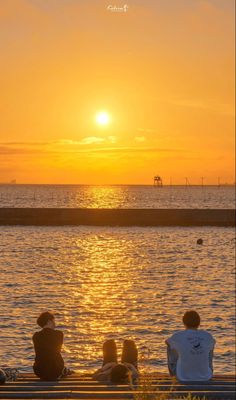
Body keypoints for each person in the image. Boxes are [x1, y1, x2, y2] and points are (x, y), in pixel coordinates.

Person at [166, 310, 215, 382]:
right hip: (206, 377)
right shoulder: (207, 336)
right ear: (199, 322)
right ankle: (205, 370)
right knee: (210, 346)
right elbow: (213, 342)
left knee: (170, 345)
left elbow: (167, 342)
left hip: (183, 376)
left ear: (184, 322)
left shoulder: (178, 336)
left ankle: (174, 373)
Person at [32, 311, 72, 381]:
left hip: (39, 371)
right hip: (56, 370)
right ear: (49, 322)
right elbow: (57, 351)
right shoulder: (59, 334)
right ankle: (64, 371)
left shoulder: (36, 336)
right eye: (54, 321)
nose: (55, 324)